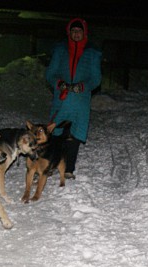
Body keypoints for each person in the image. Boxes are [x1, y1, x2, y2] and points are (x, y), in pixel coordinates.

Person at [45, 17, 102, 179]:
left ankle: (69, 168)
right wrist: (59, 83)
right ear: (69, 32)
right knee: (55, 132)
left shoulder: (92, 53)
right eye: (74, 31)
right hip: (61, 98)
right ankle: (51, 164)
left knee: (74, 134)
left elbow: (96, 78)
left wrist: (83, 86)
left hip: (80, 99)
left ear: (84, 33)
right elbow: (50, 74)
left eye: (79, 31)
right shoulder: (60, 50)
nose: (76, 34)